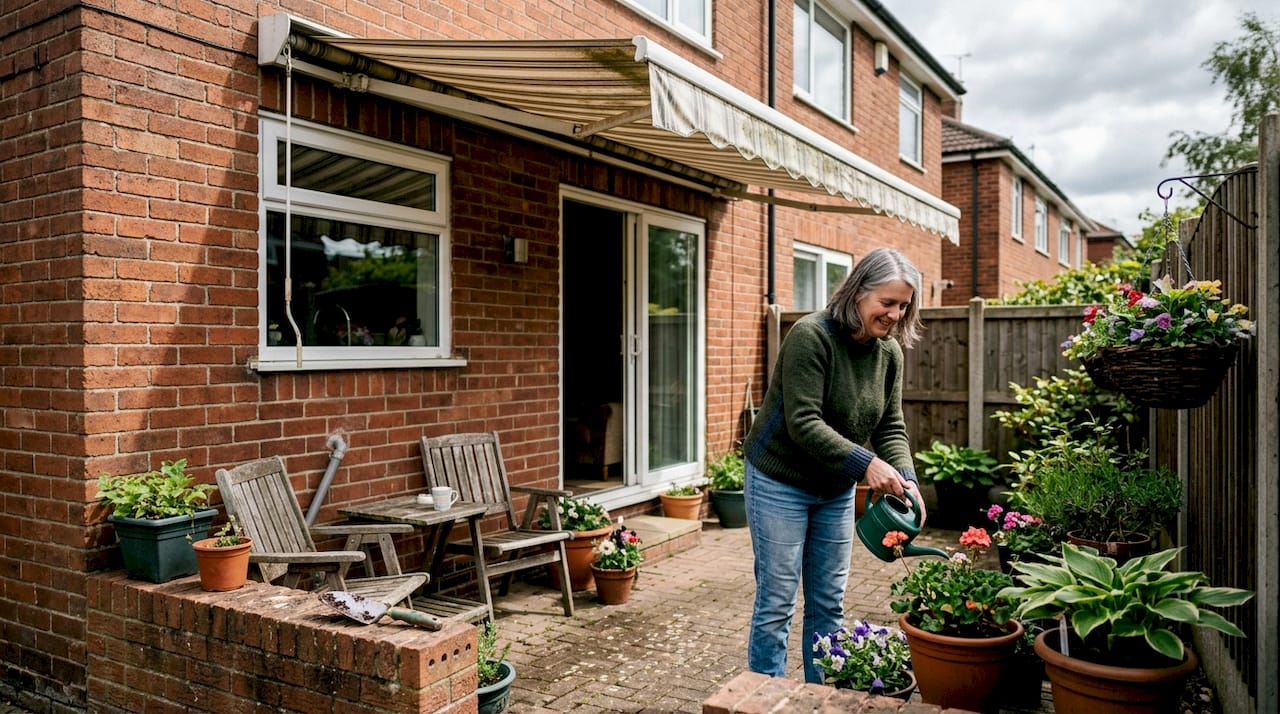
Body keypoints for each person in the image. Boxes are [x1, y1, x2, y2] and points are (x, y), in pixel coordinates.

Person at [742, 247, 926, 684]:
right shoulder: (812, 336)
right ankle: (761, 697)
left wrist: (907, 479)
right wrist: (867, 466)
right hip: (779, 479)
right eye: (887, 302)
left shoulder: (888, 354)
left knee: (828, 602)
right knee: (777, 602)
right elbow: (804, 422)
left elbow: (891, 426)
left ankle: (821, 696)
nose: (896, 314)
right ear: (858, 292)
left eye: (903, 305)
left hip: (835, 487)